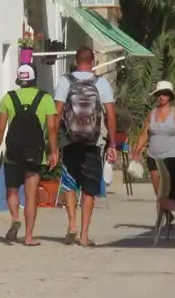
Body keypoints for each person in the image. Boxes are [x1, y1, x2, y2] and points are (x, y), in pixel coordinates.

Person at [54, 47, 117, 247]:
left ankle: (72, 224)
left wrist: (54, 144)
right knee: (89, 187)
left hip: (69, 140)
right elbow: (110, 114)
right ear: (93, 62)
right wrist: (112, 142)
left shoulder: (65, 81)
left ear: (75, 60)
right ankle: (84, 235)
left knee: (69, 182)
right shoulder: (101, 83)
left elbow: (57, 113)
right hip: (93, 142)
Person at [0, 64, 58, 245]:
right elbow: (51, 128)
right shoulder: (46, 99)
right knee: (30, 195)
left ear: (19, 80)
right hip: (35, 154)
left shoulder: (8, 98)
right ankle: (28, 236)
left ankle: (14, 217)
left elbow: (0, 128)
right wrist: (53, 151)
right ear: (34, 78)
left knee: (12, 190)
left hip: (13, 152)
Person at [133, 81, 175, 206]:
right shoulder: (151, 114)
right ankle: (164, 214)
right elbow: (144, 134)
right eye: (159, 94)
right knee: (158, 190)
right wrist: (137, 151)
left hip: (172, 156)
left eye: (164, 94)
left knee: (168, 189)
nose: (161, 97)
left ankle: (167, 210)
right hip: (153, 155)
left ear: (170, 96)